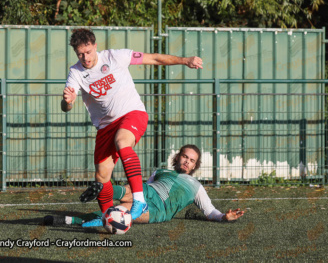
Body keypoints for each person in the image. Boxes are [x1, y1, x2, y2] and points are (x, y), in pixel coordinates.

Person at [62, 28, 203, 221]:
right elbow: (66, 107)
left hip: (132, 113)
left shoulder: (115, 57)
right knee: (102, 177)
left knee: (122, 142)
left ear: (95, 46)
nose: (85, 58)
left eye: (88, 52)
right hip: (105, 127)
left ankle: (139, 200)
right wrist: (68, 102)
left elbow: (153, 59)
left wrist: (185, 60)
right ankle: (107, 217)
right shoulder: (75, 72)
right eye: (80, 54)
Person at [44, 144, 244, 227]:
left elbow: (210, 211)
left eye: (192, 160)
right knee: (136, 189)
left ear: (194, 166)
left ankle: (71, 219)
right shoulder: (161, 172)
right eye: (185, 156)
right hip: (147, 192)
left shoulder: (196, 186)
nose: (187, 162)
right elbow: (142, 189)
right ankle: (103, 189)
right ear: (178, 157)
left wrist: (224, 217)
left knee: (115, 214)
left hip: (159, 210)